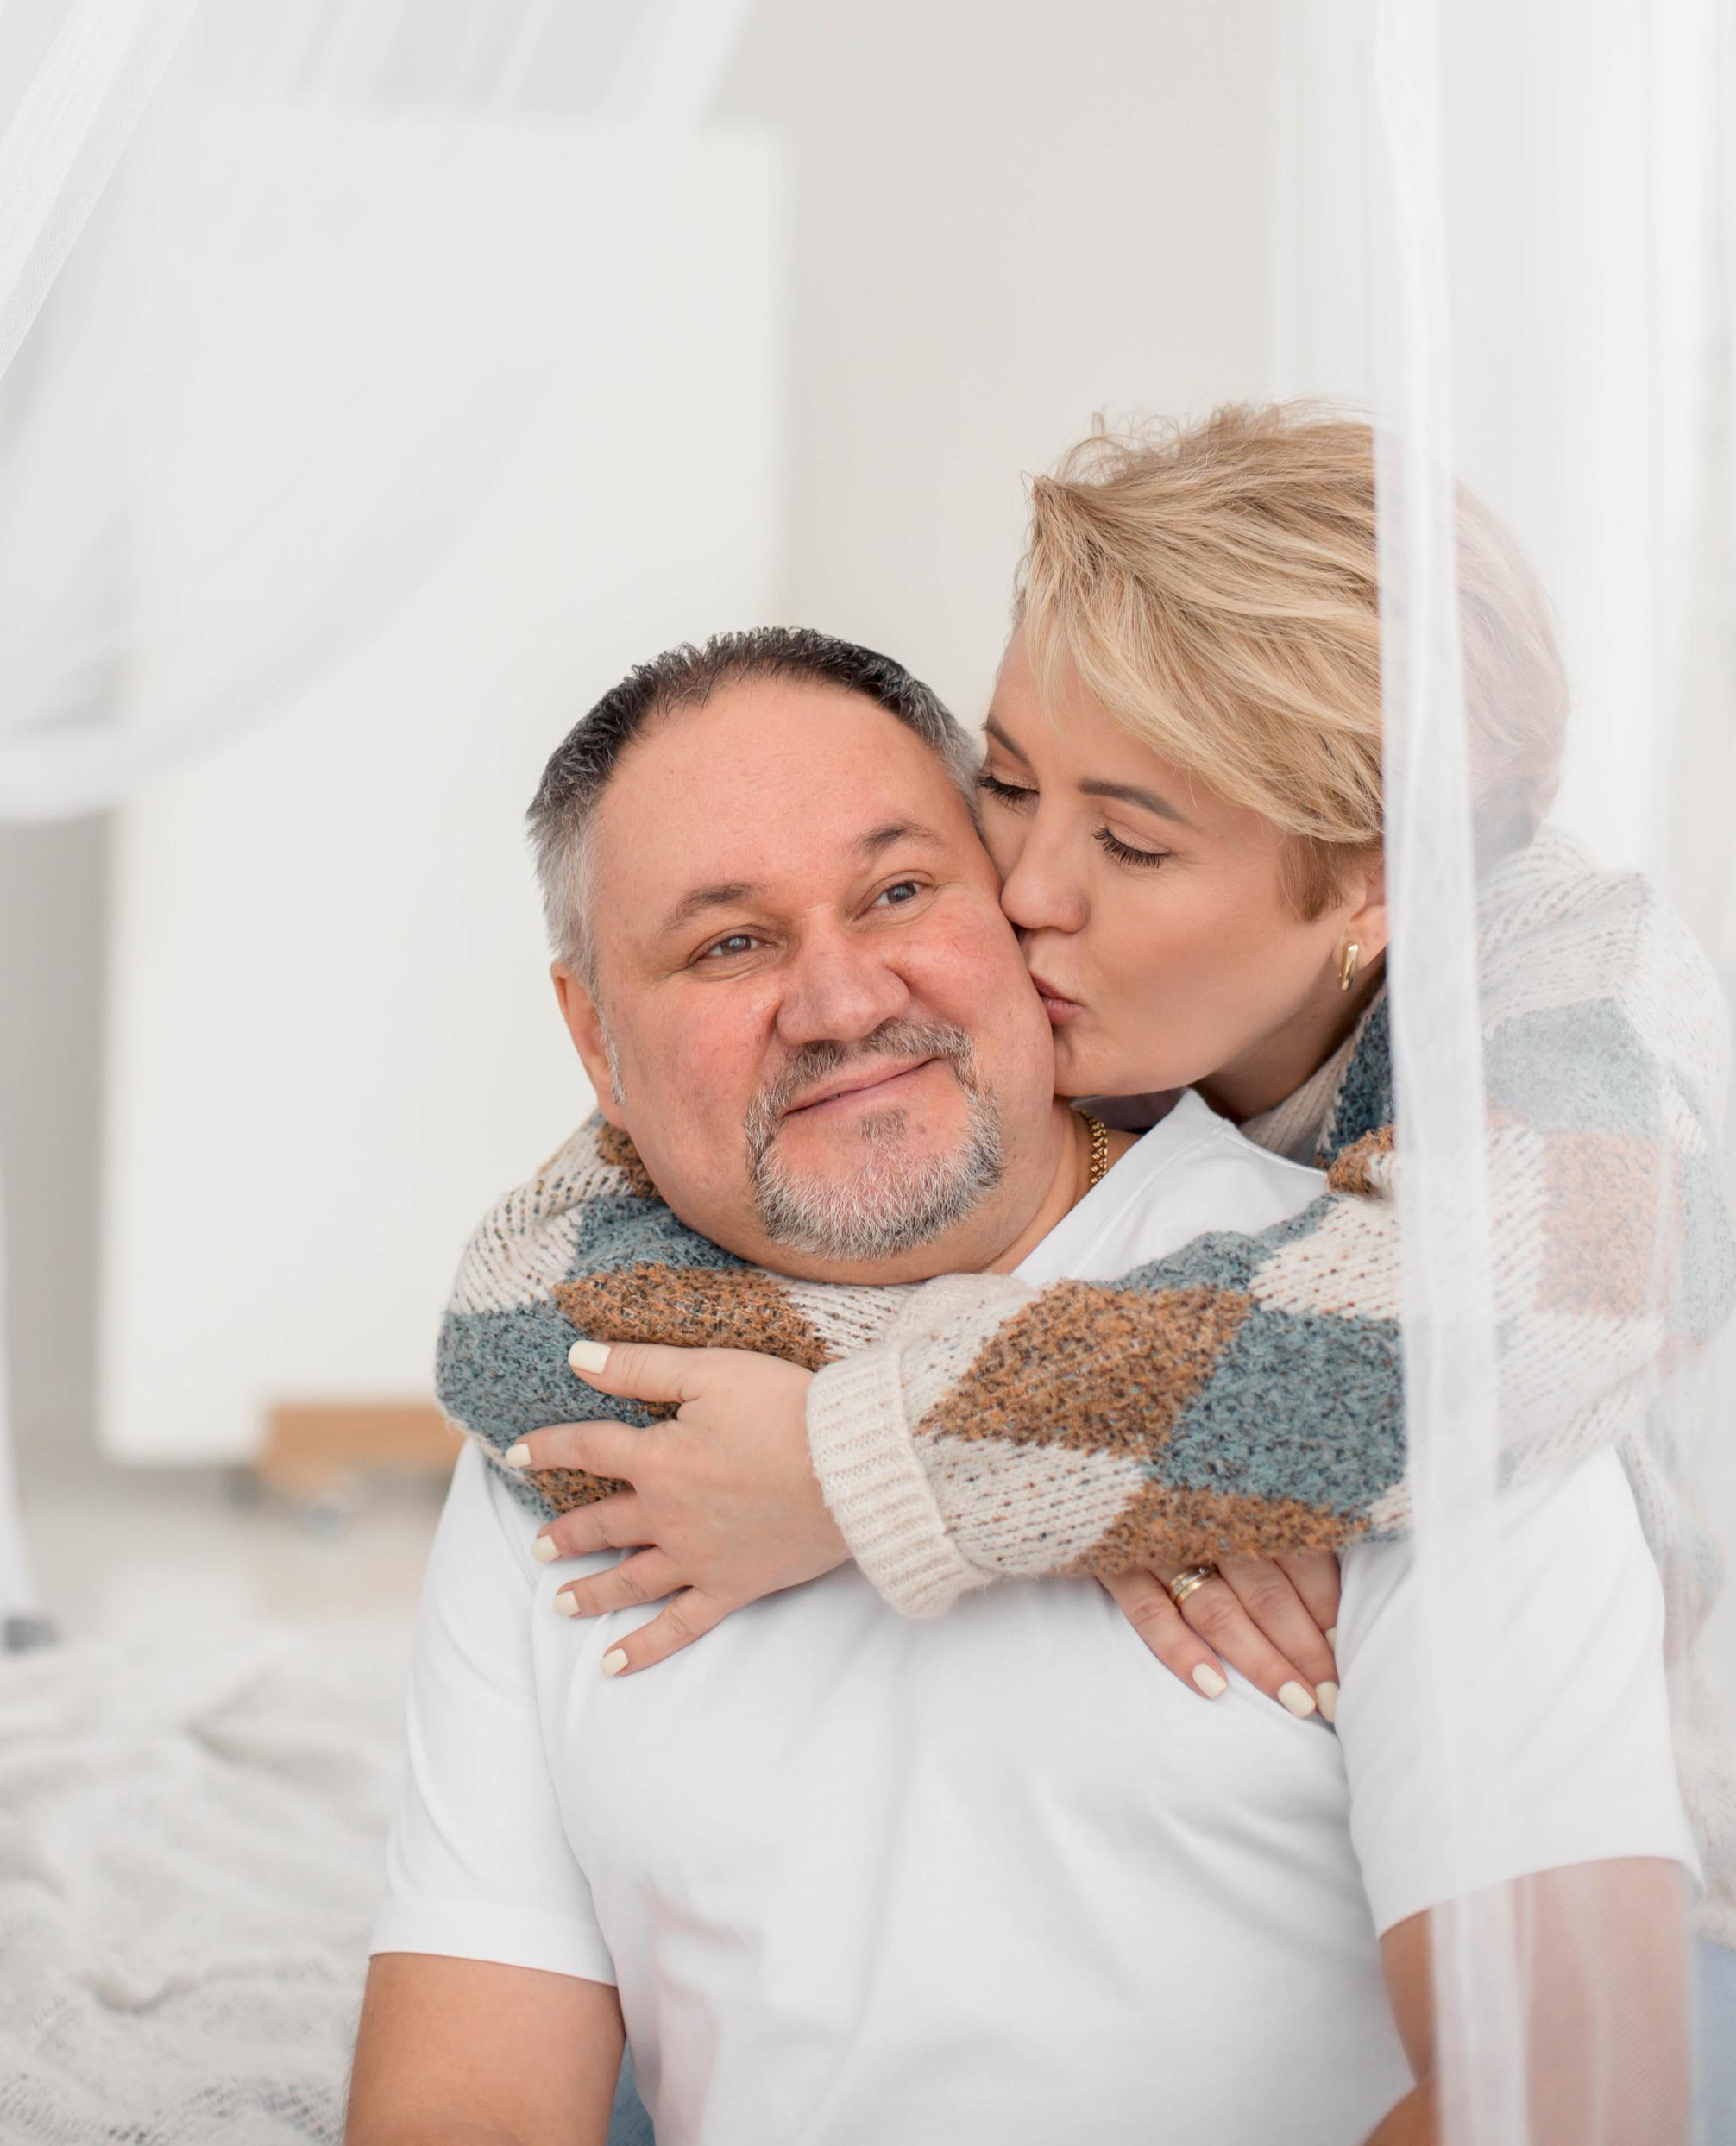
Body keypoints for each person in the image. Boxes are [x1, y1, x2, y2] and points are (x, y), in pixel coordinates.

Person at [349, 639, 1692, 2145]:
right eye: (728, 946)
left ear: (1021, 914)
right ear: (595, 1038)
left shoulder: (1393, 1371)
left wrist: (1152, 1448)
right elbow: (464, 2093)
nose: (842, 1000)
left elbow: (1567, 2089)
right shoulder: (591, 1438)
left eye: (900, 892)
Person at [439, 411, 1731, 1789]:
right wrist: (1139, 1479)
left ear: (1380, 878)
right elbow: (521, 1308)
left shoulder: (1576, 990)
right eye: (1005, 784)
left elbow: (1481, 1329)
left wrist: (861, 1471)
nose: (1027, 891)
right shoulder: (1106, 997)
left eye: (1128, 842)